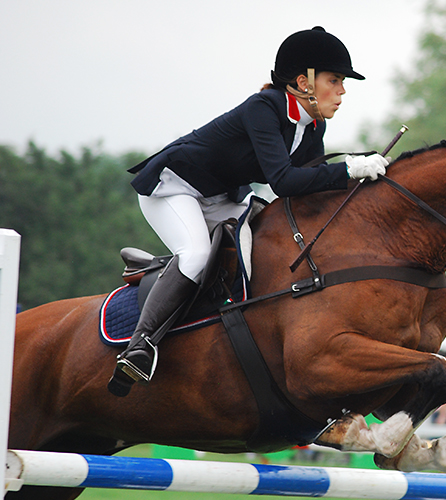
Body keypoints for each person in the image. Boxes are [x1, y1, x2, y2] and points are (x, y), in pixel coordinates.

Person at [108, 27, 388, 397]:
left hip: (221, 196)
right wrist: (349, 169)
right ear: (303, 82)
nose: (342, 91)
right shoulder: (264, 108)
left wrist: (363, 188)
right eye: (334, 80)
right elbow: (285, 182)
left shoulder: (312, 124)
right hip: (174, 187)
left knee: (266, 248)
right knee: (194, 255)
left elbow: (309, 191)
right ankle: (140, 346)